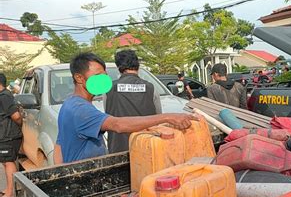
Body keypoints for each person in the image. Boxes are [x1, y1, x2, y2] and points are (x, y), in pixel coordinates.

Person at [54, 52, 198, 164]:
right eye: (97, 75)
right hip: (87, 180)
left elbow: (59, 146)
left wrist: (63, 173)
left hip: (108, 155)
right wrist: (169, 117)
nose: (103, 80)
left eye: (104, 75)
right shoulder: (80, 109)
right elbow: (117, 124)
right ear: (79, 78)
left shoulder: (69, 104)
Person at [104, 49, 161, 153]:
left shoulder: (108, 89)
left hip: (118, 150)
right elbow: (159, 118)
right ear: (137, 65)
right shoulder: (151, 88)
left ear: (119, 68)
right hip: (147, 148)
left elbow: (107, 116)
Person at [0, 73, 22, 197]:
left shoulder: (5, 97)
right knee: (5, 161)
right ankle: (9, 188)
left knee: (8, 162)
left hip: (9, 136)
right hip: (4, 135)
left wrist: (19, 126)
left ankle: (11, 192)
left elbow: (16, 116)